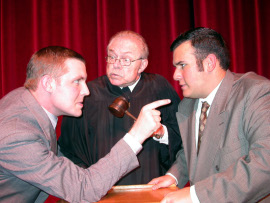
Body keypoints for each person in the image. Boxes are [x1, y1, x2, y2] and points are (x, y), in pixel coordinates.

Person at [0, 46, 171, 203]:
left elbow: (60, 163)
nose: (86, 91)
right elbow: (82, 189)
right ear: (48, 83)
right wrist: (137, 135)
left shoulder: (25, 101)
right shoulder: (17, 134)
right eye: (77, 81)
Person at [149, 27, 270, 202]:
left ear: (209, 63)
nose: (175, 75)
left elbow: (265, 163)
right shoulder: (187, 105)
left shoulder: (255, 92)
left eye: (182, 65)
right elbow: (192, 152)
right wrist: (175, 176)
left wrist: (195, 195)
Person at [58, 30, 181, 185]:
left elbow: (183, 137)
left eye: (125, 60)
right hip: (101, 193)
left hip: (150, 190)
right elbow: (69, 149)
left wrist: (162, 133)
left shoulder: (159, 88)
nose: (115, 65)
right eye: (112, 56)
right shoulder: (88, 94)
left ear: (142, 64)